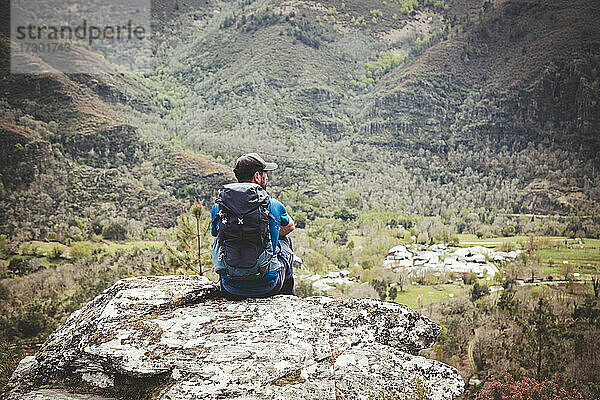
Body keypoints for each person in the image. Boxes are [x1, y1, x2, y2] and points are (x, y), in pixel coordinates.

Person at [210, 153, 295, 299]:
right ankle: (288, 297)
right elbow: (290, 227)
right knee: (285, 242)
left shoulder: (219, 207)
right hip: (269, 286)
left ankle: (230, 278)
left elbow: (216, 234)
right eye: (265, 174)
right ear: (257, 176)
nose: (266, 177)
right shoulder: (272, 204)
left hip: (230, 288)